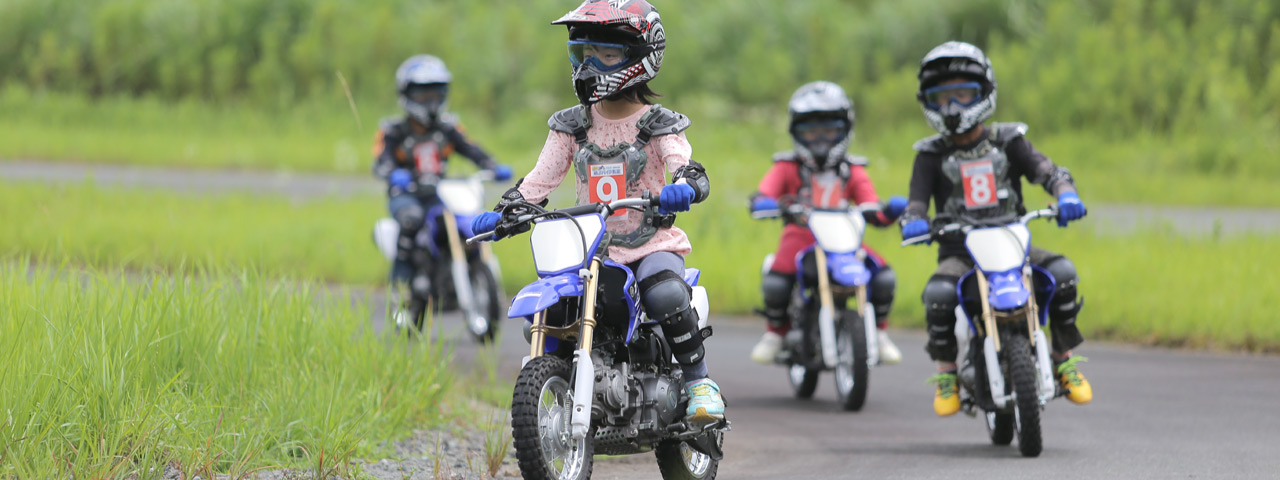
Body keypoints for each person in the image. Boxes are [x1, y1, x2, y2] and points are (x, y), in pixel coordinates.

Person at [470, 0, 724, 424]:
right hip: (591, 252)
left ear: (640, 55)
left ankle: (699, 382)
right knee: (550, 309)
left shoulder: (658, 124)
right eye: (583, 54)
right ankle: (556, 389)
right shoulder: (571, 125)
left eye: (605, 55)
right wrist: (506, 212)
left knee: (664, 292)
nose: (590, 66)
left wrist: (684, 187)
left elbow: (683, 163)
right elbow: (540, 180)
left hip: (649, 244)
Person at [899, 41, 1092, 416]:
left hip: (1012, 242)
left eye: (963, 94)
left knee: (1063, 273)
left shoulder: (1008, 140)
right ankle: (947, 372)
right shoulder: (930, 154)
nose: (953, 107)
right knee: (938, 294)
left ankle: (1063, 358)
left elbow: (1049, 172)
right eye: (942, 98)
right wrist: (914, 221)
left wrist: (1066, 195)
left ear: (984, 92)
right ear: (928, 102)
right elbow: (916, 202)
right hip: (960, 251)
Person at [747, 81, 907, 366]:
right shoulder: (787, 166)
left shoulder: (852, 170)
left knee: (882, 275)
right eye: (811, 132)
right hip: (800, 235)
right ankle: (776, 333)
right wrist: (766, 203)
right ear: (796, 132)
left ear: (845, 128)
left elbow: (871, 204)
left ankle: (879, 333)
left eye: (829, 130)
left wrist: (888, 211)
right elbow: (765, 194)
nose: (820, 139)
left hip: (844, 240)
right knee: (778, 279)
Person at [372, 54, 512, 289]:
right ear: (406, 94)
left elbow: (471, 148)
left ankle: (462, 271)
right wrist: (393, 173)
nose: (431, 100)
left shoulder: (448, 127)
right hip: (407, 194)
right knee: (411, 220)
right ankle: (401, 285)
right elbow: (380, 160)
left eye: (436, 92)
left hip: (440, 193)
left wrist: (491, 165)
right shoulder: (393, 131)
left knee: (467, 221)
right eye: (423, 93)